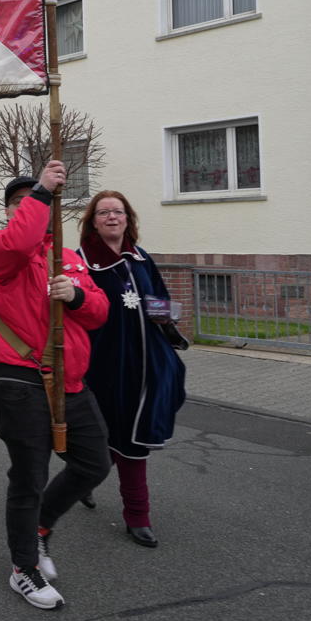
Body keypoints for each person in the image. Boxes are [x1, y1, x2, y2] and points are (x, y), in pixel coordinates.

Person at [0, 160, 111, 611]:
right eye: (17, 203)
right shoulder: (0, 248)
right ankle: (24, 569)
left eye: (33, 201)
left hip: (70, 378)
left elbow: (99, 310)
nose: (26, 208)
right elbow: (21, 238)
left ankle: (39, 528)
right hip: (19, 376)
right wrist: (40, 190)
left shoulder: (69, 258)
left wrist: (74, 295)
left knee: (93, 463)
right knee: (30, 475)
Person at [76, 191, 187, 549]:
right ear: (93, 221)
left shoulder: (141, 258)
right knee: (107, 434)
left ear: (128, 218)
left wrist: (170, 323)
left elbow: (157, 301)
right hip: (103, 364)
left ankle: (137, 517)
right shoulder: (81, 262)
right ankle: (83, 480)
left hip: (146, 363)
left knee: (133, 438)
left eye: (118, 212)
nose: (112, 217)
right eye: (104, 212)